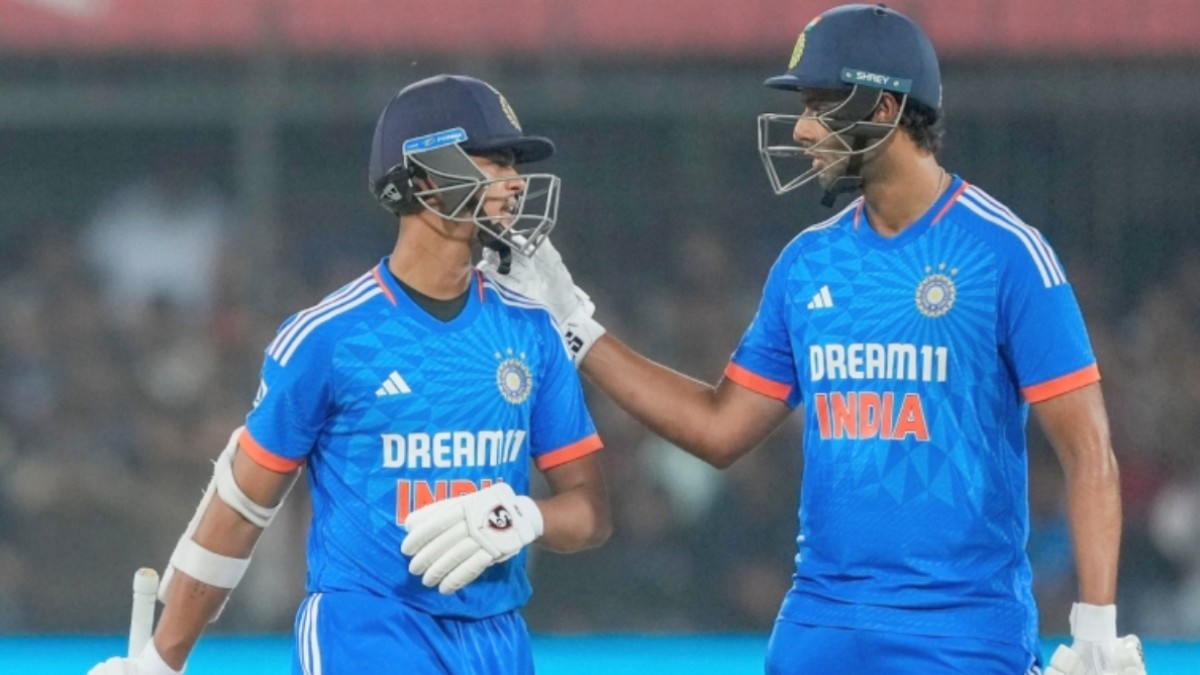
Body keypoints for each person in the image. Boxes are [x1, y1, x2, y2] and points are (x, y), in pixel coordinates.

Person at [484, 5, 1145, 674]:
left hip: (960, 631)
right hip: (818, 626)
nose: (802, 129)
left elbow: (1088, 449)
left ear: (885, 107)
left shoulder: (1005, 254)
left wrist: (1096, 630)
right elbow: (719, 428)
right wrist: (574, 324)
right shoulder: (807, 263)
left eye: (821, 104)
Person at [89, 74, 611, 675]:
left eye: (514, 163)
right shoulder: (328, 337)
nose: (514, 180)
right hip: (364, 636)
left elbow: (590, 512)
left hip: (496, 641)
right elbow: (239, 508)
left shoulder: (533, 330)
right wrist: (161, 661)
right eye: (494, 161)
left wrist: (524, 516)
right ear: (426, 176)